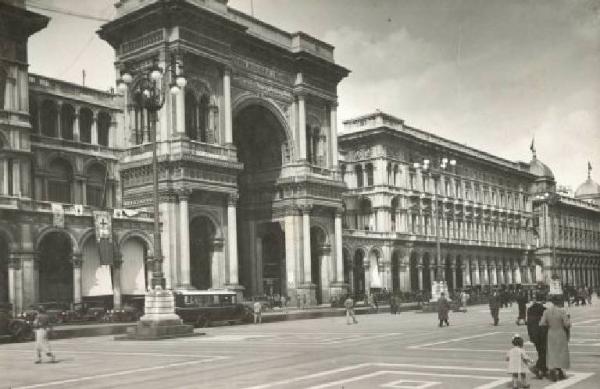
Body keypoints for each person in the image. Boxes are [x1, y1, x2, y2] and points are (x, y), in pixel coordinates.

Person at [540, 295, 571, 382]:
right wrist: (569, 319)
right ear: (560, 302)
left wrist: (549, 325)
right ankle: (560, 371)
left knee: (552, 352)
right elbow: (567, 324)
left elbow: (542, 323)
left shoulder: (547, 311)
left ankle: (553, 369)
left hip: (551, 333)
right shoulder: (562, 311)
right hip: (560, 333)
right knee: (561, 353)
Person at [526, 293, 548, 379]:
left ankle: (543, 369)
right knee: (544, 352)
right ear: (543, 300)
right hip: (543, 333)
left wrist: (530, 335)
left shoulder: (530, 309)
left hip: (534, 334)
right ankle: (538, 367)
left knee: (540, 351)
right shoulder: (544, 309)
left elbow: (529, 324)